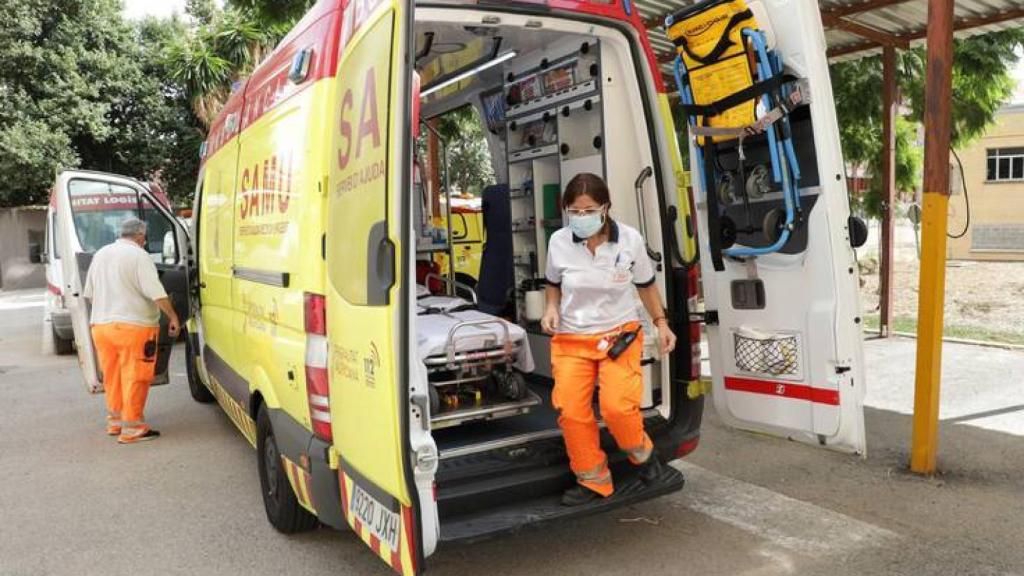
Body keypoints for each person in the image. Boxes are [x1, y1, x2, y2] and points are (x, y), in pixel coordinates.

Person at [541, 173, 677, 506]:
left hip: (619, 337)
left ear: (605, 208)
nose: (581, 217)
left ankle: (645, 457)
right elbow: (552, 284)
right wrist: (550, 308)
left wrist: (661, 323)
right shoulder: (559, 241)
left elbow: (646, 285)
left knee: (617, 408)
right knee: (571, 412)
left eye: (588, 210)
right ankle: (593, 480)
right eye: (574, 210)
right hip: (572, 339)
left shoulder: (629, 240)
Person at [83, 218, 180, 444]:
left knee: (113, 376)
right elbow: (156, 292)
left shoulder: (101, 254)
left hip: (101, 327)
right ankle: (133, 428)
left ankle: (115, 422)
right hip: (133, 328)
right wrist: (173, 316)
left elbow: (89, 293)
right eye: (144, 237)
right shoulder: (139, 256)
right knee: (135, 376)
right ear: (140, 236)